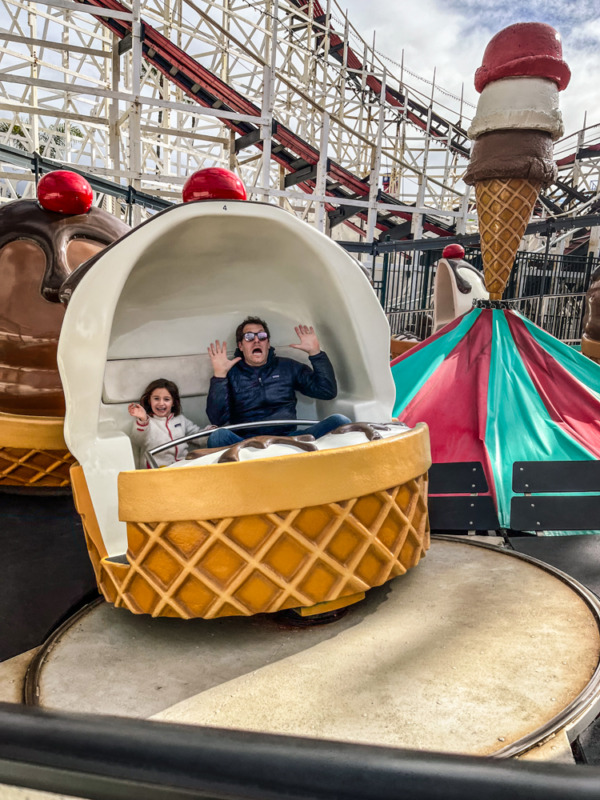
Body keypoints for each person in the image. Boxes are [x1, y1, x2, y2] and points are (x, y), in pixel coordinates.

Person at [206, 317, 350, 448]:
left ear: (268, 344)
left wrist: (315, 353)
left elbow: (327, 391)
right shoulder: (231, 373)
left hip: (289, 440)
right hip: (246, 444)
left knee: (340, 421)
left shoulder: (288, 367)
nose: (256, 340)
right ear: (241, 346)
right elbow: (217, 419)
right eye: (249, 337)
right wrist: (219, 376)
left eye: (262, 336)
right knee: (218, 437)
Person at [128, 378, 211, 468]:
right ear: (149, 400)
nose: (161, 403)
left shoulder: (180, 419)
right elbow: (138, 440)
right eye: (156, 399)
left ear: (173, 403)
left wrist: (211, 433)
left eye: (166, 399)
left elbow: (196, 435)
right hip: (158, 469)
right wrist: (143, 419)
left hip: (183, 465)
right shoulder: (147, 422)